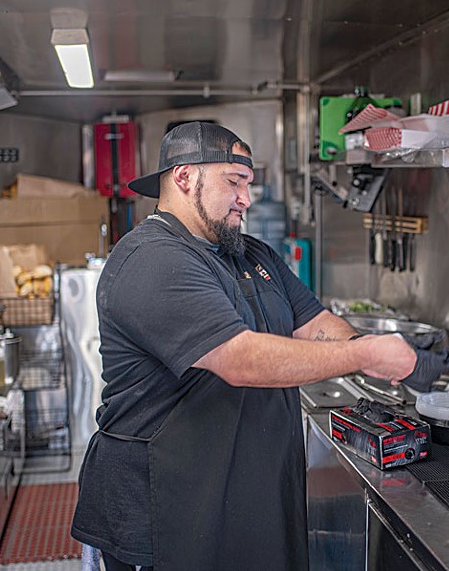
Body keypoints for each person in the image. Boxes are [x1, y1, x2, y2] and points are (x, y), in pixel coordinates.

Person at [72, 121, 429, 571]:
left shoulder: (251, 254)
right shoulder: (153, 260)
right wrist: (363, 356)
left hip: (242, 503)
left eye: (248, 184)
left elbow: (312, 321)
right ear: (184, 178)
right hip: (164, 512)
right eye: (233, 182)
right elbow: (239, 359)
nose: (246, 198)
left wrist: (366, 343)